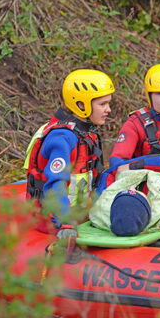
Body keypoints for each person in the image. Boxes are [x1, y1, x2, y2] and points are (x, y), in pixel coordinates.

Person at [26, 69, 114, 240]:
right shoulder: (61, 139)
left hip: (79, 214)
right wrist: (66, 222)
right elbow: (55, 185)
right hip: (52, 220)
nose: (108, 110)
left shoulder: (87, 133)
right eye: (102, 104)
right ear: (81, 105)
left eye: (108, 103)